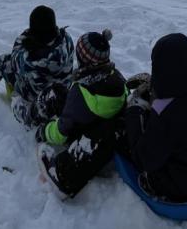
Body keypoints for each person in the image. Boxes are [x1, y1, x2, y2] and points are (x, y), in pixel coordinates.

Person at [123, 33, 187, 203]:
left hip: (181, 187)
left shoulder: (167, 115)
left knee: (129, 136)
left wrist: (134, 111)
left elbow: (144, 160)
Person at [37, 29, 127, 197]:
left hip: (84, 135)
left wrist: (44, 131)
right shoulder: (117, 77)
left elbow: (62, 132)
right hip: (101, 126)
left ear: (83, 59)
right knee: (63, 93)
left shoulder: (82, 91)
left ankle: (30, 115)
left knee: (53, 95)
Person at [0, 5, 74, 128]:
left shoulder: (33, 60)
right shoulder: (66, 40)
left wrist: (29, 38)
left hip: (36, 98)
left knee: (3, 62)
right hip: (60, 92)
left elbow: (15, 54)